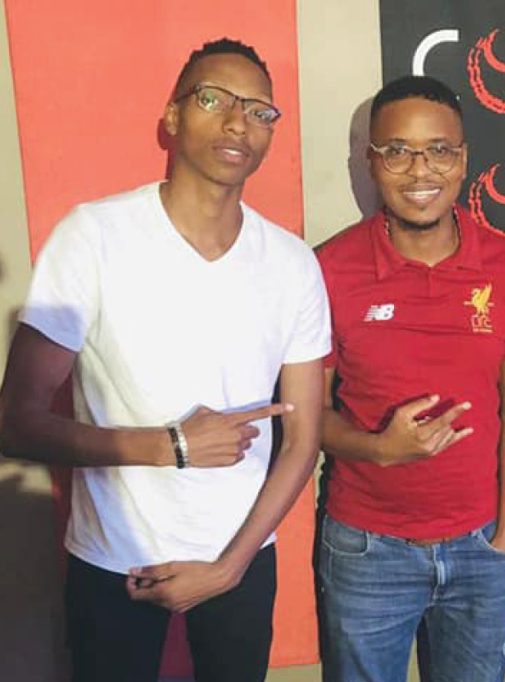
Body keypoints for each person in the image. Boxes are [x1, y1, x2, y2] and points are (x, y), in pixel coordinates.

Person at [0, 38, 330, 682]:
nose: (238, 121)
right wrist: (171, 445)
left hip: (241, 560)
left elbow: (302, 440)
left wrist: (230, 567)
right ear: (173, 116)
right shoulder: (93, 237)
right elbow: (16, 423)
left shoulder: (292, 263)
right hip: (114, 560)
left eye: (259, 110)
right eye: (214, 99)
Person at [315, 75, 505, 682]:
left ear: (463, 159)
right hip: (367, 549)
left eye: (439, 150)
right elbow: (305, 416)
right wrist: (378, 449)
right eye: (398, 151)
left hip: (481, 546)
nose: (420, 170)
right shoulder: (331, 269)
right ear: (372, 161)